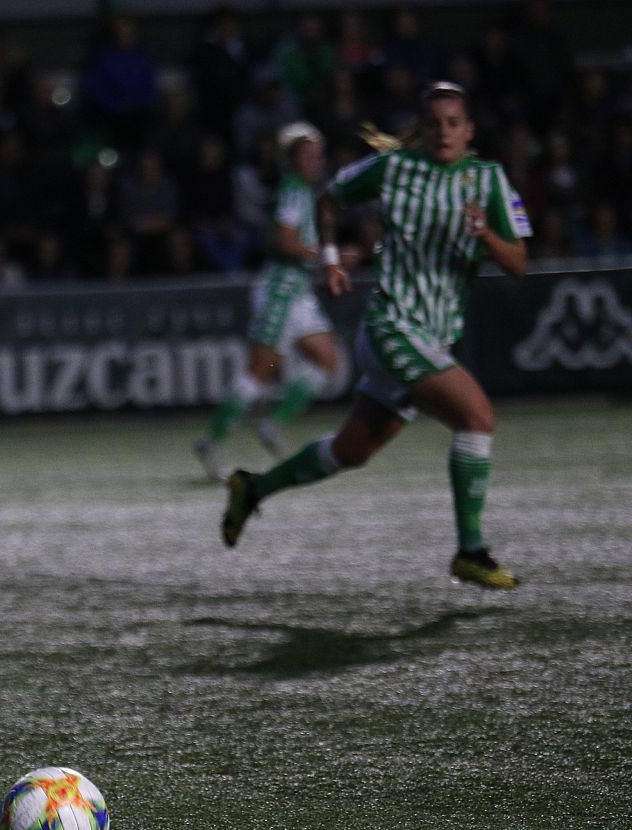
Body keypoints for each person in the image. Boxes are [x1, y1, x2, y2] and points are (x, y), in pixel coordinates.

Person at [221, 83, 530, 589]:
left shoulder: (489, 180)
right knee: (477, 417)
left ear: (468, 130)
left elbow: (518, 262)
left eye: (454, 123)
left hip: (430, 337)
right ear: (423, 129)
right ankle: (470, 549)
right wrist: (329, 260)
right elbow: (329, 200)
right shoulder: (395, 169)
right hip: (392, 326)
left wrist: (487, 236)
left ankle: (253, 488)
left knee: (352, 450)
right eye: (435, 124)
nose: (445, 133)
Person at [194, 123, 343, 481]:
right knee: (259, 372)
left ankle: (273, 426)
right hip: (280, 290)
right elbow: (283, 241)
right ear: (291, 161)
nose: (315, 161)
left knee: (326, 359)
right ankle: (210, 442)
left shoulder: (302, 191)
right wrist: (324, 255)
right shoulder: (293, 190)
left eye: (318, 155)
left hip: (297, 292)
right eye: (307, 155)